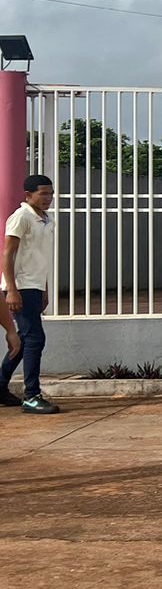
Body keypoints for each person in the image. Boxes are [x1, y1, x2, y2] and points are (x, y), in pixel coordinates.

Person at [1, 174, 56, 414]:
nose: (48, 198)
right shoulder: (21, 217)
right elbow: (7, 254)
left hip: (34, 287)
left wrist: (44, 288)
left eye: (50, 194)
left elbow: (40, 258)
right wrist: (11, 290)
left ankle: (1, 385)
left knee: (25, 340)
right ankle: (32, 395)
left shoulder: (46, 219)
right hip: (20, 287)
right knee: (35, 338)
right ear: (28, 195)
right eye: (43, 194)